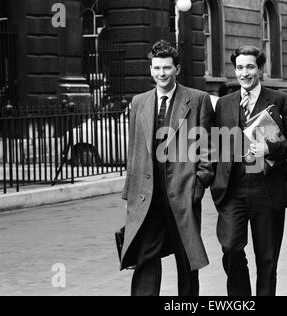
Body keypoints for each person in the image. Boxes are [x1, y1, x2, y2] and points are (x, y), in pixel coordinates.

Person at [119, 40, 215, 296]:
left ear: (177, 69)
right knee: (145, 257)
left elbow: (207, 148)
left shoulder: (197, 100)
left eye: (167, 68)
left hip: (182, 191)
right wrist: (129, 194)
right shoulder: (139, 102)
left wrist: (198, 184)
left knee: (186, 259)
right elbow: (134, 150)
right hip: (147, 195)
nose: (161, 73)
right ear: (150, 70)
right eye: (157, 68)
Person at [210, 45, 287, 296]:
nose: (245, 73)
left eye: (250, 67)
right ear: (234, 70)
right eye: (240, 67)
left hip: (267, 190)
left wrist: (270, 149)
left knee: (267, 259)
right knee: (231, 248)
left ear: (260, 69)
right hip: (234, 191)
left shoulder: (280, 100)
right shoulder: (224, 104)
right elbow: (216, 145)